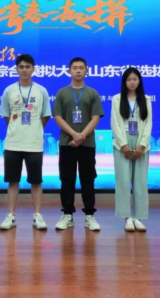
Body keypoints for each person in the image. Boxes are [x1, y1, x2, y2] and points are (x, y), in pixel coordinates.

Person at [0, 54, 52, 230]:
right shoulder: (9, 90)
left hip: (34, 144)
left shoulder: (41, 91)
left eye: (28, 67)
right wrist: (18, 129)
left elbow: (45, 116)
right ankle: (11, 215)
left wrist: (34, 129)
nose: (24, 70)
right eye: (21, 67)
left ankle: (37, 215)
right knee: (12, 181)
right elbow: (7, 116)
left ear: (33, 69)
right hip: (13, 143)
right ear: (16, 69)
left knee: (36, 181)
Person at [52, 57, 104, 231]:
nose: (78, 70)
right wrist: (74, 134)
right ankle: (67, 214)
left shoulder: (92, 93)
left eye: (81, 68)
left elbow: (95, 118)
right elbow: (58, 117)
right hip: (66, 143)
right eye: (75, 68)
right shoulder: (62, 93)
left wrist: (82, 136)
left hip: (87, 144)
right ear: (69, 71)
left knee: (88, 179)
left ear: (86, 70)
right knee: (67, 180)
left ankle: (90, 216)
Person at [110, 67, 152, 232]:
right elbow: (115, 123)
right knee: (123, 181)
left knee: (140, 182)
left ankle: (138, 218)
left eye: (135, 79)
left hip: (141, 142)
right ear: (124, 82)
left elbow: (148, 123)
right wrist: (123, 144)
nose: (132, 82)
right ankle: (127, 218)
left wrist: (142, 145)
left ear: (139, 81)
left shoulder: (146, 99)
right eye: (129, 80)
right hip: (122, 142)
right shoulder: (117, 99)